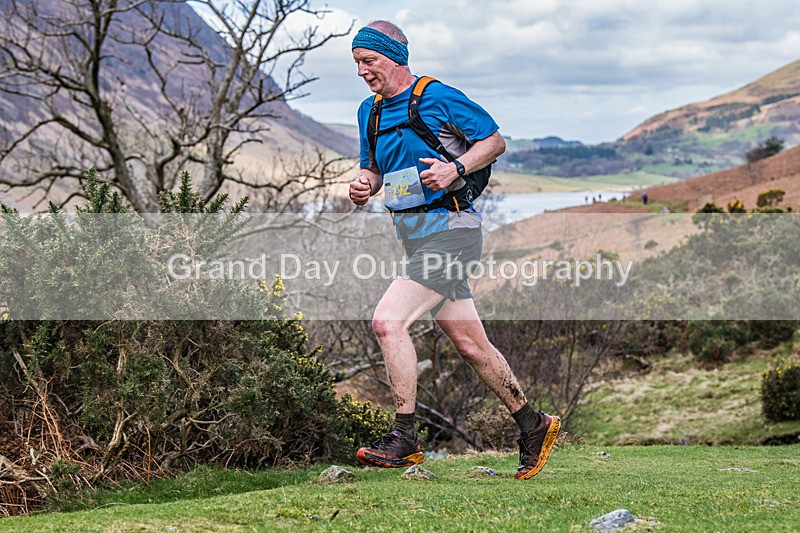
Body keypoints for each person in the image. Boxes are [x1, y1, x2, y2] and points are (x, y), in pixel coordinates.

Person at [348, 21, 560, 480]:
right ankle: (533, 424)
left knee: (388, 322)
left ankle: (404, 436)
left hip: (455, 232)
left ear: (394, 56)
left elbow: (495, 141)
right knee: (471, 345)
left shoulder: (437, 97)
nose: (363, 71)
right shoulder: (370, 112)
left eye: (369, 61)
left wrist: (455, 168)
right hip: (416, 237)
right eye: (357, 64)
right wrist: (364, 185)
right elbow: (374, 172)